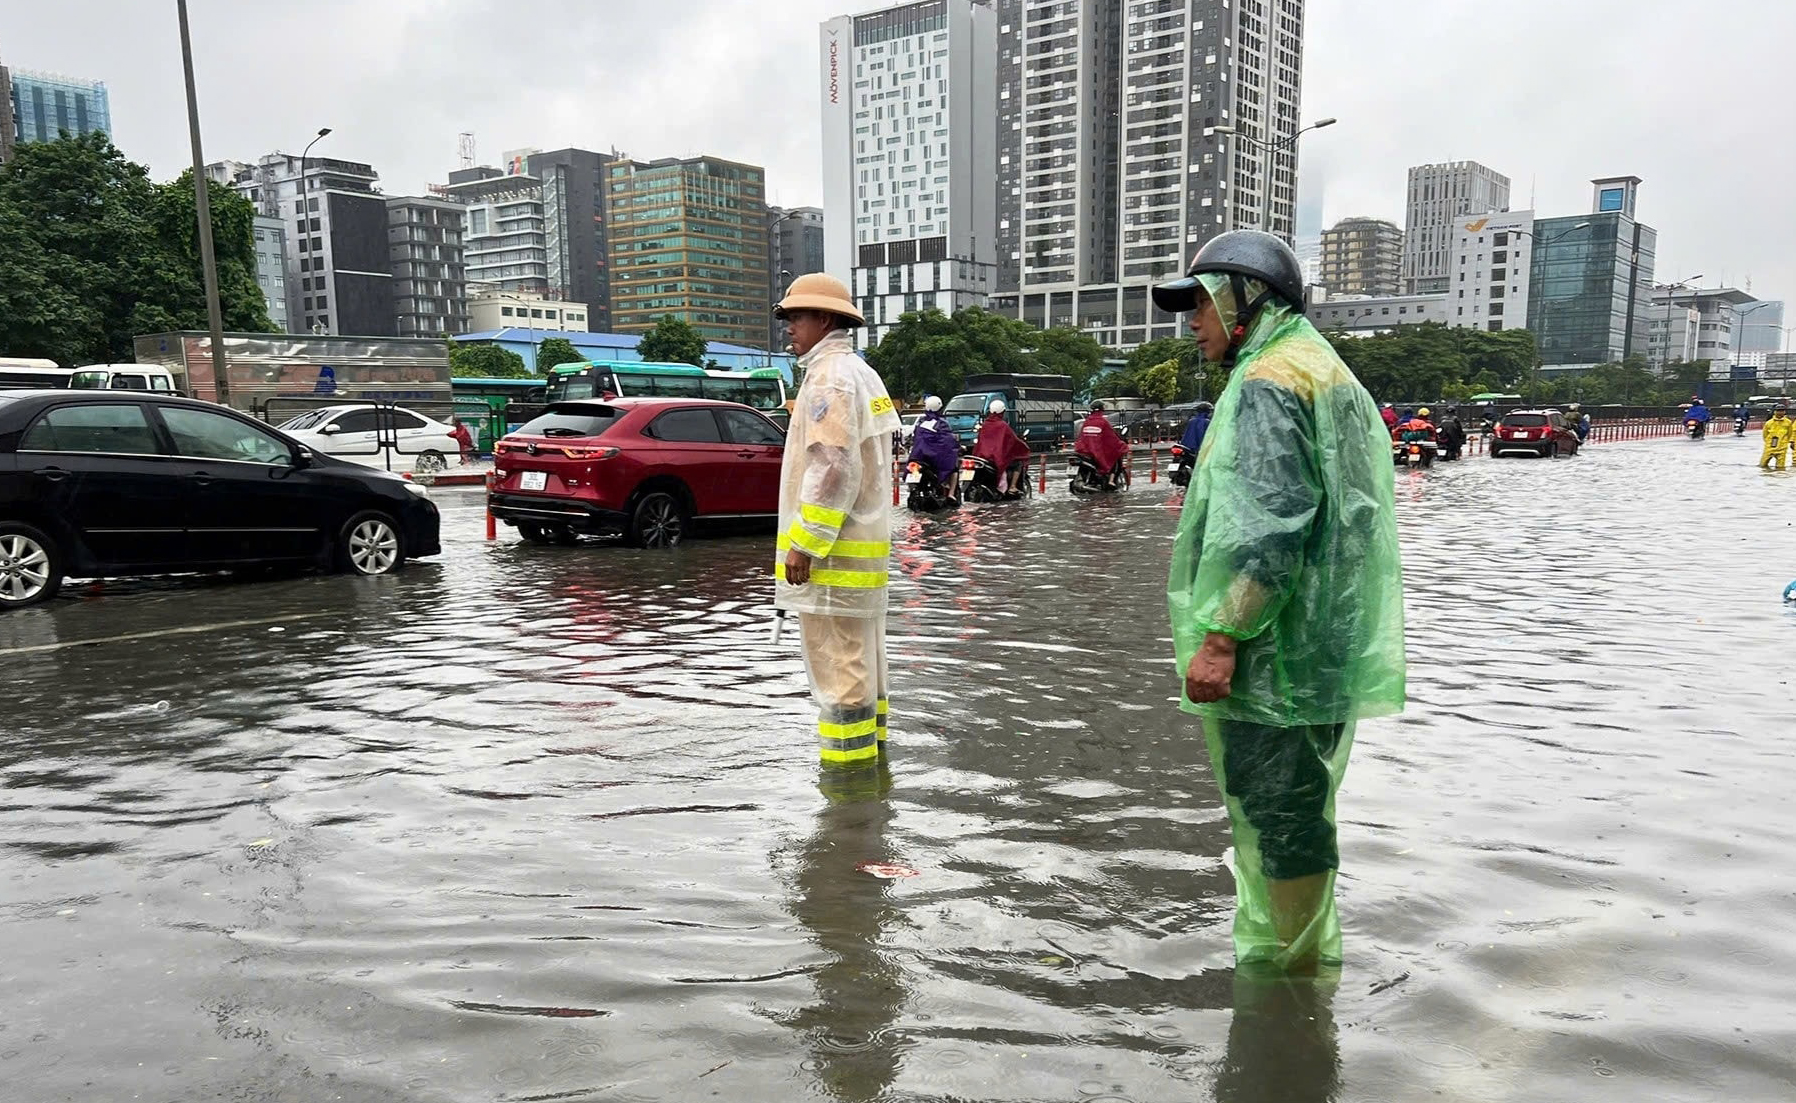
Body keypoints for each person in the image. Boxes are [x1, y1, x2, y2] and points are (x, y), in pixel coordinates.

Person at [1152, 230, 1406, 973]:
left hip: (1276, 654)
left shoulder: (1269, 380)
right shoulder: (1325, 370)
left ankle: (1290, 978)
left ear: (1246, 298)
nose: (1193, 322)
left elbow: (1268, 524)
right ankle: (1298, 970)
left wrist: (1223, 636)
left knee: (1279, 812)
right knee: (1300, 803)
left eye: (1203, 303)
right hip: (1322, 640)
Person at [773, 273, 903, 770]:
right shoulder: (861, 373)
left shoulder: (829, 377)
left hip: (832, 559)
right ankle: (873, 773)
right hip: (860, 555)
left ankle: (848, 789)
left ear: (824, 319)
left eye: (796, 317)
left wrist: (805, 542)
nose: (789, 327)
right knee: (863, 663)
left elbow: (832, 467)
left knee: (839, 671)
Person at [971, 399, 1031, 496]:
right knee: (1018, 463)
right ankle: (1012, 487)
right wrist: (1023, 446)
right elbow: (1013, 440)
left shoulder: (985, 424)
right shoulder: (1003, 426)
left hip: (982, 456)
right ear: (1002, 412)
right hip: (996, 458)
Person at [907, 395, 961, 503]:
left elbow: (915, 438)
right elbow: (948, 441)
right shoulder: (942, 423)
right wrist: (957, 446)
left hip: (917, 456)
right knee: (953, 468)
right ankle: (951, 494)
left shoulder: (920, 422)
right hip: (933, 458)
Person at [1075, 400, 1130, 488]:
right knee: (1115, 457)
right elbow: (1111, 437)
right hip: (1096, 451)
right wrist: (1121, 444)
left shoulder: (1087, 421)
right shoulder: (1103, 422)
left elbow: (1082, 437)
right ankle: (1111, 481)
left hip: (1085, 450)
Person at [1761, 404, 1792, 470]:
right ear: (1775, 411)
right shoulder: (1769, 423)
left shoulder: (1788, 422)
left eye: (1782, 411)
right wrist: (1768, 442)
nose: (1780, 412)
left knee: (1780, 467)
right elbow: (1765, 435)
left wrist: (1784, 442)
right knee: (1763, 465)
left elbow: (1789, 434)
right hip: (1769, 447)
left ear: (1785, 412)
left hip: (1782, 448)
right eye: (1778, 411)